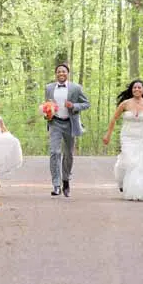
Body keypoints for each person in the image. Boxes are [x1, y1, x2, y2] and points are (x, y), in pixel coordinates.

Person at [44, 63, 90, 197]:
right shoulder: (49, 88)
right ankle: (56, 185)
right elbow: (47, 104)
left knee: (68, 154)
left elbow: (86, 104)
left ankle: (66, 181)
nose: (61, 74)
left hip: (70, 123)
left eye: (64, 71)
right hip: (55, 123)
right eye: (59, 72)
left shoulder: (76, 88)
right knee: (54, 152)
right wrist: (47, 113)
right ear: (56, 74)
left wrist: (73, 105)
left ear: (68, 73)